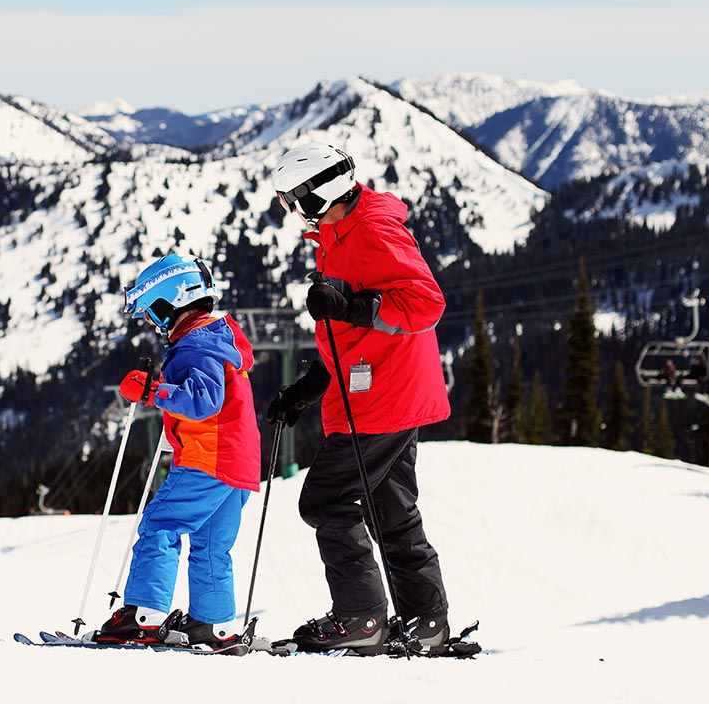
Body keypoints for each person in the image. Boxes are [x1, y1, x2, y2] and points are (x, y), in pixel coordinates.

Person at [266, 142, 453, 652]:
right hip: (380, 389)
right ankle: (426, 622)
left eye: (292, 199)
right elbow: (351, 332)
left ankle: (361, 619)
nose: (290, 209)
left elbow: (426, 304)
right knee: (391, 510)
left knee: (326, 499)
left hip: (384, 396)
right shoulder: (337, 233)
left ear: (317, 195)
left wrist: (353, 306)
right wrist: (313, 385)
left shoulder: (371, 230)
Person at [95, 253, 261, 649]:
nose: (154, 322)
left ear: (174, 299)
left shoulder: (196, 345)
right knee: (211, 545)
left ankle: (144, 614)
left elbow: (203, 400)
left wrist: (152, 391)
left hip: (208, 457)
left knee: (161, 524)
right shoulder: (218, 339)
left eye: (154, 311)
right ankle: (212, 623)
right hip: (238, 462)